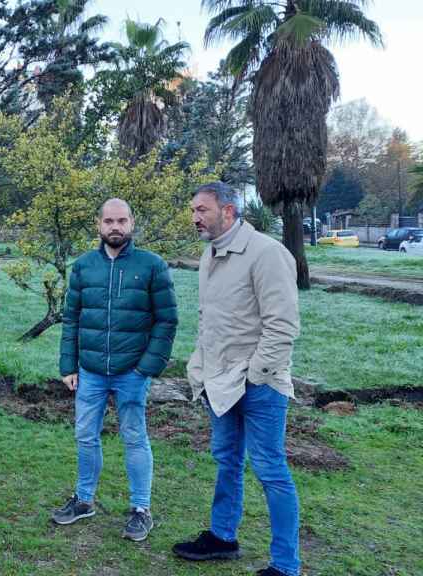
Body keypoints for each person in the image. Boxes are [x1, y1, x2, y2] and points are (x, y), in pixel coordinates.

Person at [172, 182, 301, 576]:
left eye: (202, 211)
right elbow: (210, 321)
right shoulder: (209, 255)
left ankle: (285, 565)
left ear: (228, 212)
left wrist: (255, 377)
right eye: (193, 210)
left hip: (258, 386)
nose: (195, 218)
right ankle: (222, 537)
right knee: (226, 460)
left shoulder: (267, 253)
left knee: (270, 469)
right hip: (218, 384)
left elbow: (283, 327)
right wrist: (201, 366)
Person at [52, 198, 178, 542]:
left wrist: (146, 368)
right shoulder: (83, 267)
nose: (115, 227)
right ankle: (83, 500)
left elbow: (167, 321)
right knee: (84, 436)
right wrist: (68, 364)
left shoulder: (151, 265)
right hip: (90, 370)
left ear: (132, 224)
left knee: (135, 438)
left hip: (131, 372)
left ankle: (140, 509)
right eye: (109, 221)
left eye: (121, 220)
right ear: (99, 224)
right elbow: (72, 319)